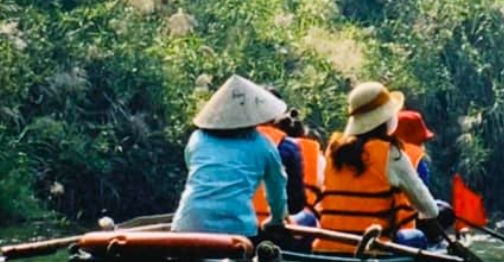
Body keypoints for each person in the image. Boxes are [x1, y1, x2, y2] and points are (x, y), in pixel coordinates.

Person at [315, 81, 447, 252]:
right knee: (417, 237)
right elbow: (430, 210)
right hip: (372, 249)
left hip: (329, 247)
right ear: (386, 119)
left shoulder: (333, 149)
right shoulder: (391, 154)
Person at [173, 74, 288, 236]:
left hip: (188, 223)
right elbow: (277, 187)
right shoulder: (264, 145)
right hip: (237, 227)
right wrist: (277, 219)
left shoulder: (197, 138)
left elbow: (192, 167)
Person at [254, 107, 323, 225]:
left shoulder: (236, 145)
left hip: (238, 225)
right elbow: (296, 205)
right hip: (278, 227)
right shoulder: (292, 149)